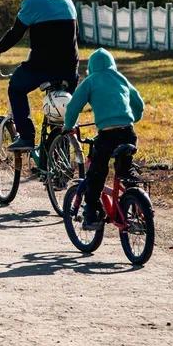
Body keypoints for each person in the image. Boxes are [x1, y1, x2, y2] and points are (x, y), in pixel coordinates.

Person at [0, 0, 79, 152]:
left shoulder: (32, 2)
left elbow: (15, 32)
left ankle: (26, 137)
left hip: (43, 67)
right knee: (60, 118)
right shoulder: (66, 0)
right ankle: (57, 165)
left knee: (16, 87)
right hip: (69, 69)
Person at [60, 47, 144, 230]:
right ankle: (135, 202)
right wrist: (133, 118)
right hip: (128, 132)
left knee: (97, 173)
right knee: (124, 171)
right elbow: (138, 102)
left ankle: (91, 213)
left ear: (91, 68)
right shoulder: (120, 78)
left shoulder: (90, 81)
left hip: (107, 136)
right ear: (112, 65)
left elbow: (73, 106)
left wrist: (68, 126)